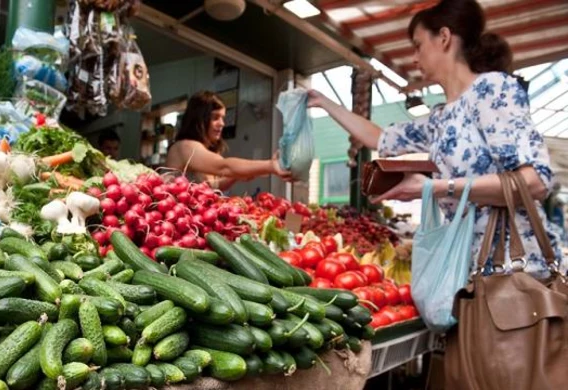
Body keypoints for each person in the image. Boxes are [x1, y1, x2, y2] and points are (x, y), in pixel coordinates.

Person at [308, 0, 563, 277]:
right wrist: (324, 102)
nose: (415, 58)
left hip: (521, 270)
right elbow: (379, 137)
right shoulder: (441, 118)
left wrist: (435, 187)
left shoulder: (494, 89)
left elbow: (536, 181)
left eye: (418, 45)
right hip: (473, 269)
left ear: (443, 38)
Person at [166, 91, 291, 191]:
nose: (222, 124)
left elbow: (215, 187)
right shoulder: (185, 147)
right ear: (199, 120)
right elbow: (225, 167)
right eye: (215, 117)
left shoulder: (205, 151)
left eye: (222, 118)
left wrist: (235, 176)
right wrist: (271, 165)